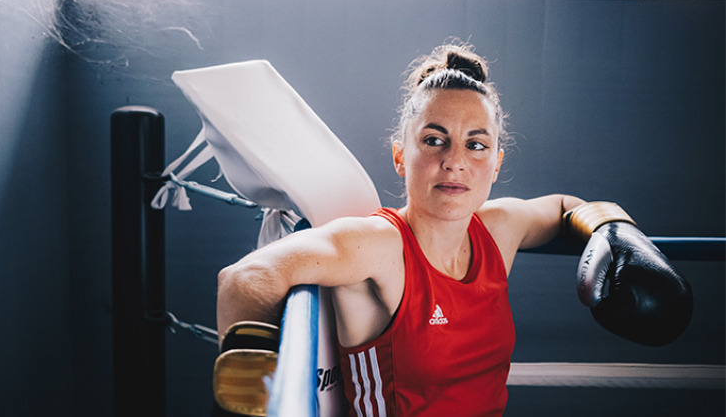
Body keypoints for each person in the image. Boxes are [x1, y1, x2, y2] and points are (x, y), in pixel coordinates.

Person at [213, 41, 692, 417]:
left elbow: (565, 206)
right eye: (434, 140)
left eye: (476, 144)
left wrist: (613, 228)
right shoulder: (378, 246)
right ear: (402, 155)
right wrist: (254, 385)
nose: (455, 162)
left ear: (497, 163)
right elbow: (244, 278)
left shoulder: (499, 230)